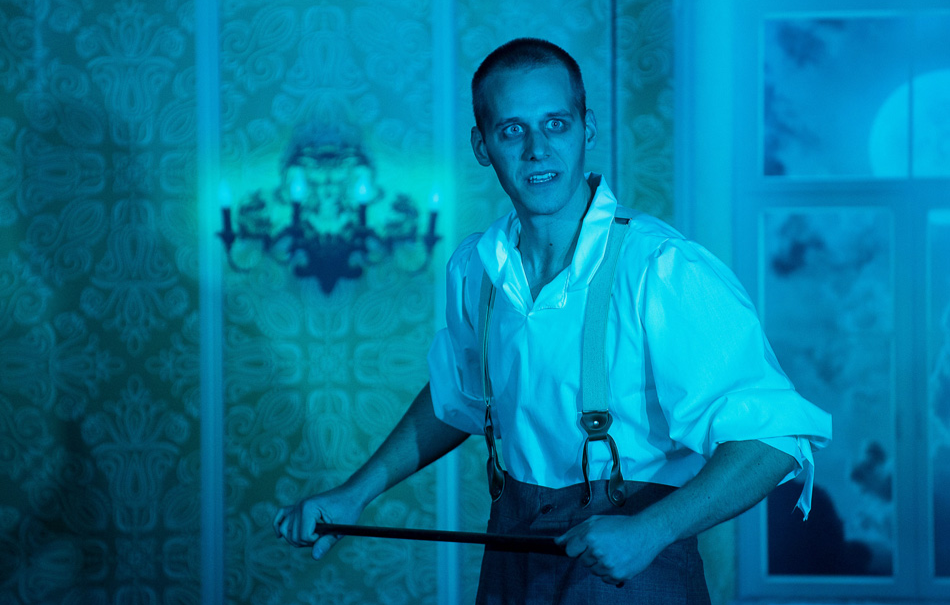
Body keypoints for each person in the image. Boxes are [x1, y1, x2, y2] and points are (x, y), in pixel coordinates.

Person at [274, 37, 832, 603]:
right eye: (512, 130)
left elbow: (773, 439)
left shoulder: (662, 268)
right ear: (482, 145)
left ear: (587, 128)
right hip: (511, 555)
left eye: (556, 125)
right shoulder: (477, 268)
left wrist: (650, 530)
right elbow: (457, 396)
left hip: (634, 563)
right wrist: (353, 494)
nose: (537, 150)